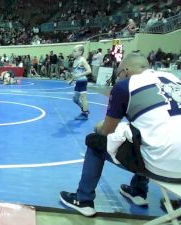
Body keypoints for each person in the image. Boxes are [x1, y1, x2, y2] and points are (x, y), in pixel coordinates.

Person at [59, 53, 181, 217]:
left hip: (163, 164)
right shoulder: (173, 78)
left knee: (95, 142)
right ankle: (138, 192)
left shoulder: (125, 86)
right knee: (141, 132)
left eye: (118, 74)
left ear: (125, 71)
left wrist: (99, 127)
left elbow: (107, 130)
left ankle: (84, 199)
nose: (118, 78)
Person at [69, 45, 92, 120]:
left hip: (82, 81)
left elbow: (89, 71)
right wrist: (72, 79)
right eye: (73, 51)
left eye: (75, 51)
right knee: (75, 99)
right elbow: (75, 72)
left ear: (80, 52)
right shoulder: (75, 60)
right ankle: (85, 109)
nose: (73, 53)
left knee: (83, 98)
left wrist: (79, 75)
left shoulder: (82, 60)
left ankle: (85, 114)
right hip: (78, 82)